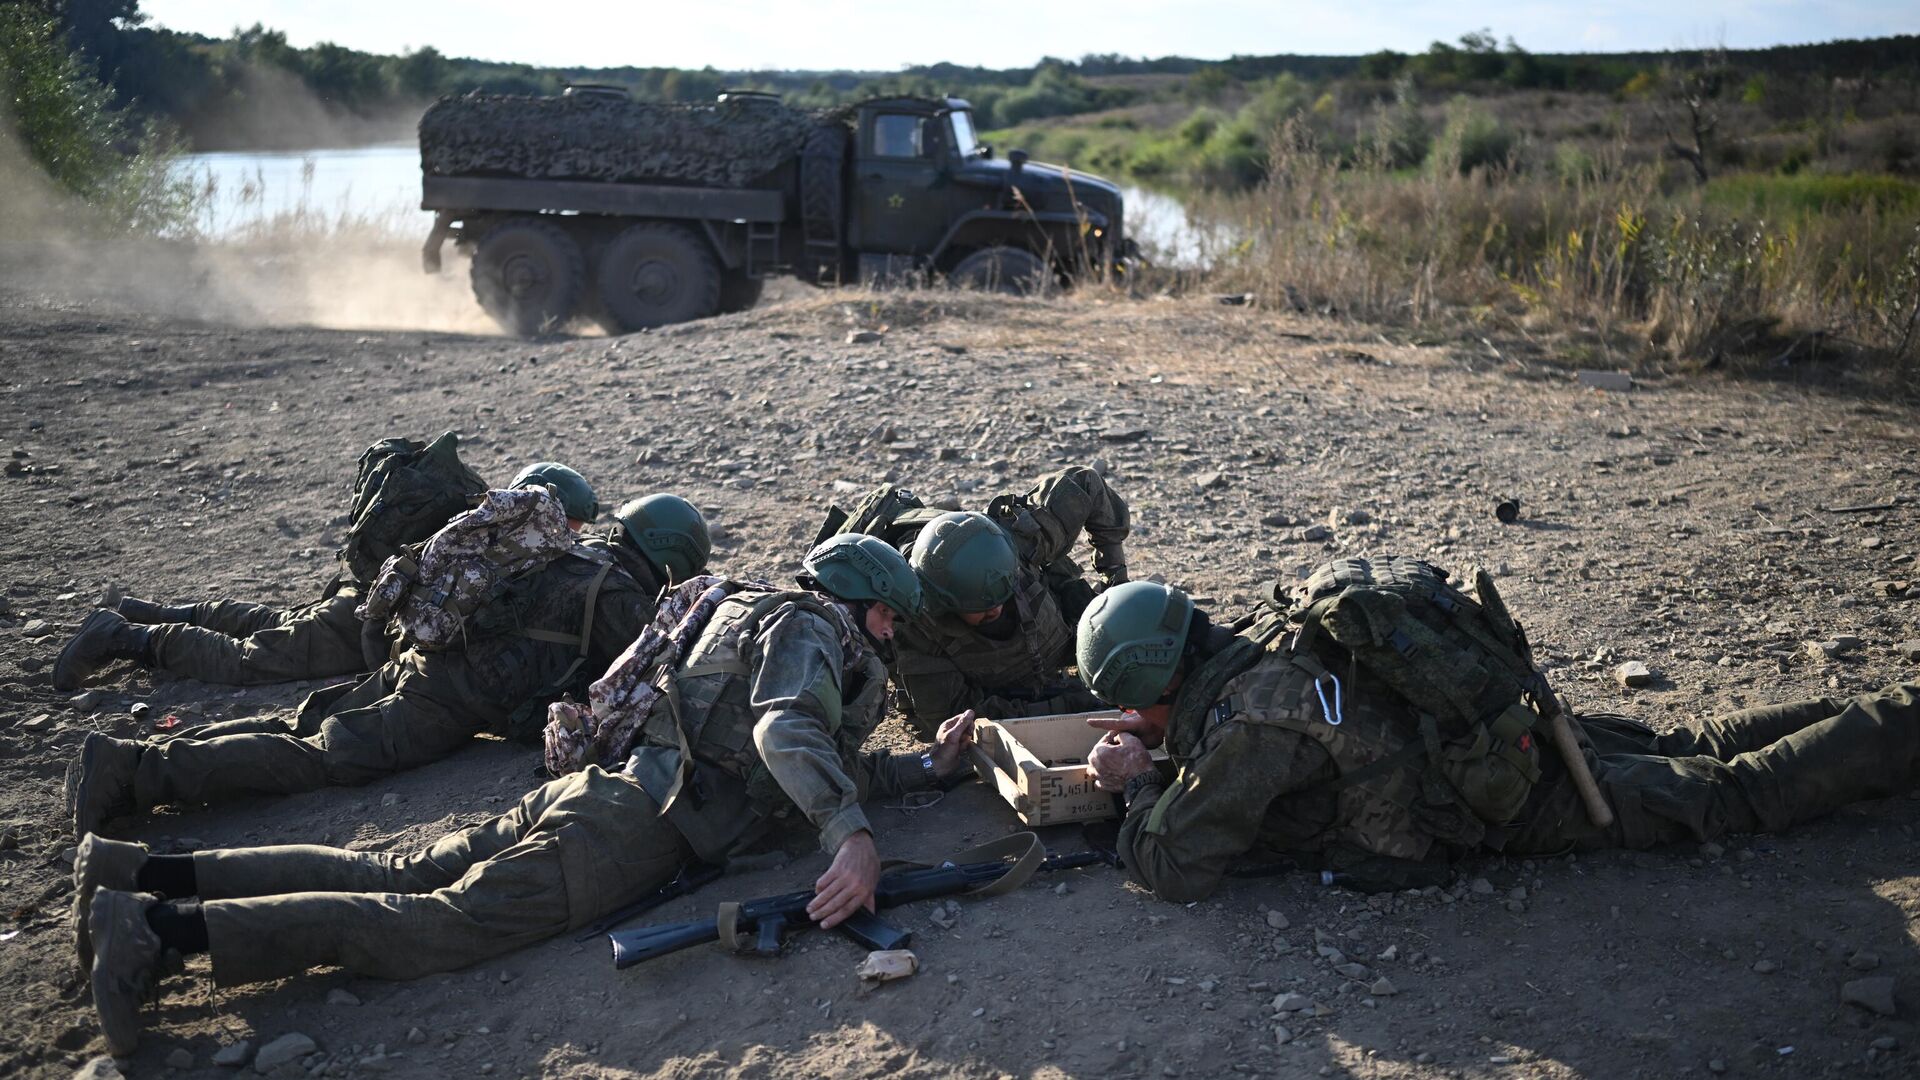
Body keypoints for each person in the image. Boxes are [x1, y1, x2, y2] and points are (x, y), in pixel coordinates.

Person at [73, 533, 979, 1056]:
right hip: (631, 832)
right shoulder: (815, 636)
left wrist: (920, 772)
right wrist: (852, 837)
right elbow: (787, 734)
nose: (892, 634)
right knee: (431, 927)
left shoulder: (752, 610)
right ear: (864, 601)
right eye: (892, 616)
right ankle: (157, 932)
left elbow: (788, 751)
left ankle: (138, 870)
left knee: (388, 867)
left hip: (604, 788)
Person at [1074, 577, 1920, 903]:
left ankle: (1904, 722)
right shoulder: (1265, 638)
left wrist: (1136, 784)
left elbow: (1177, 868)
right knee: (1683, 738)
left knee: (1730, 796)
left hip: (1508, 798)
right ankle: (1881, 704)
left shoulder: (1245, 727)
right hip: (1508, 725)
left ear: (1156, 685)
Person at [64, 493, 709, 837]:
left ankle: (138, 757)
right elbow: (637, 690)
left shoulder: (568, 548)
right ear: (673, 556)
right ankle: (134, 772)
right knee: (320, 757)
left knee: (301, 729)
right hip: (447, 699)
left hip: (422, 652)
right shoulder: (623, 598)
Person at [50, 460, 601, 691]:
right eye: (574, 523)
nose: (572, 535)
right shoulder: (517, 539)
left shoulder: (489, 517)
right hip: (371, 615)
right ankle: (122, 636)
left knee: (278, 622)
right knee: (257, 661)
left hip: (363, 594)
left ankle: (151, 613)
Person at [890, 465, 1130, 735]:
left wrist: (1115, 583)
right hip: (1001, 694)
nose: (997, 609)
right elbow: (952, 719)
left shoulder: (1019, 542)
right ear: (946, 603)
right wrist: (1066, 706)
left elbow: (1085, 484)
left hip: (1057, 642)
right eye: (980, 606)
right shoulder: (918, 623)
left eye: (1004, 593)